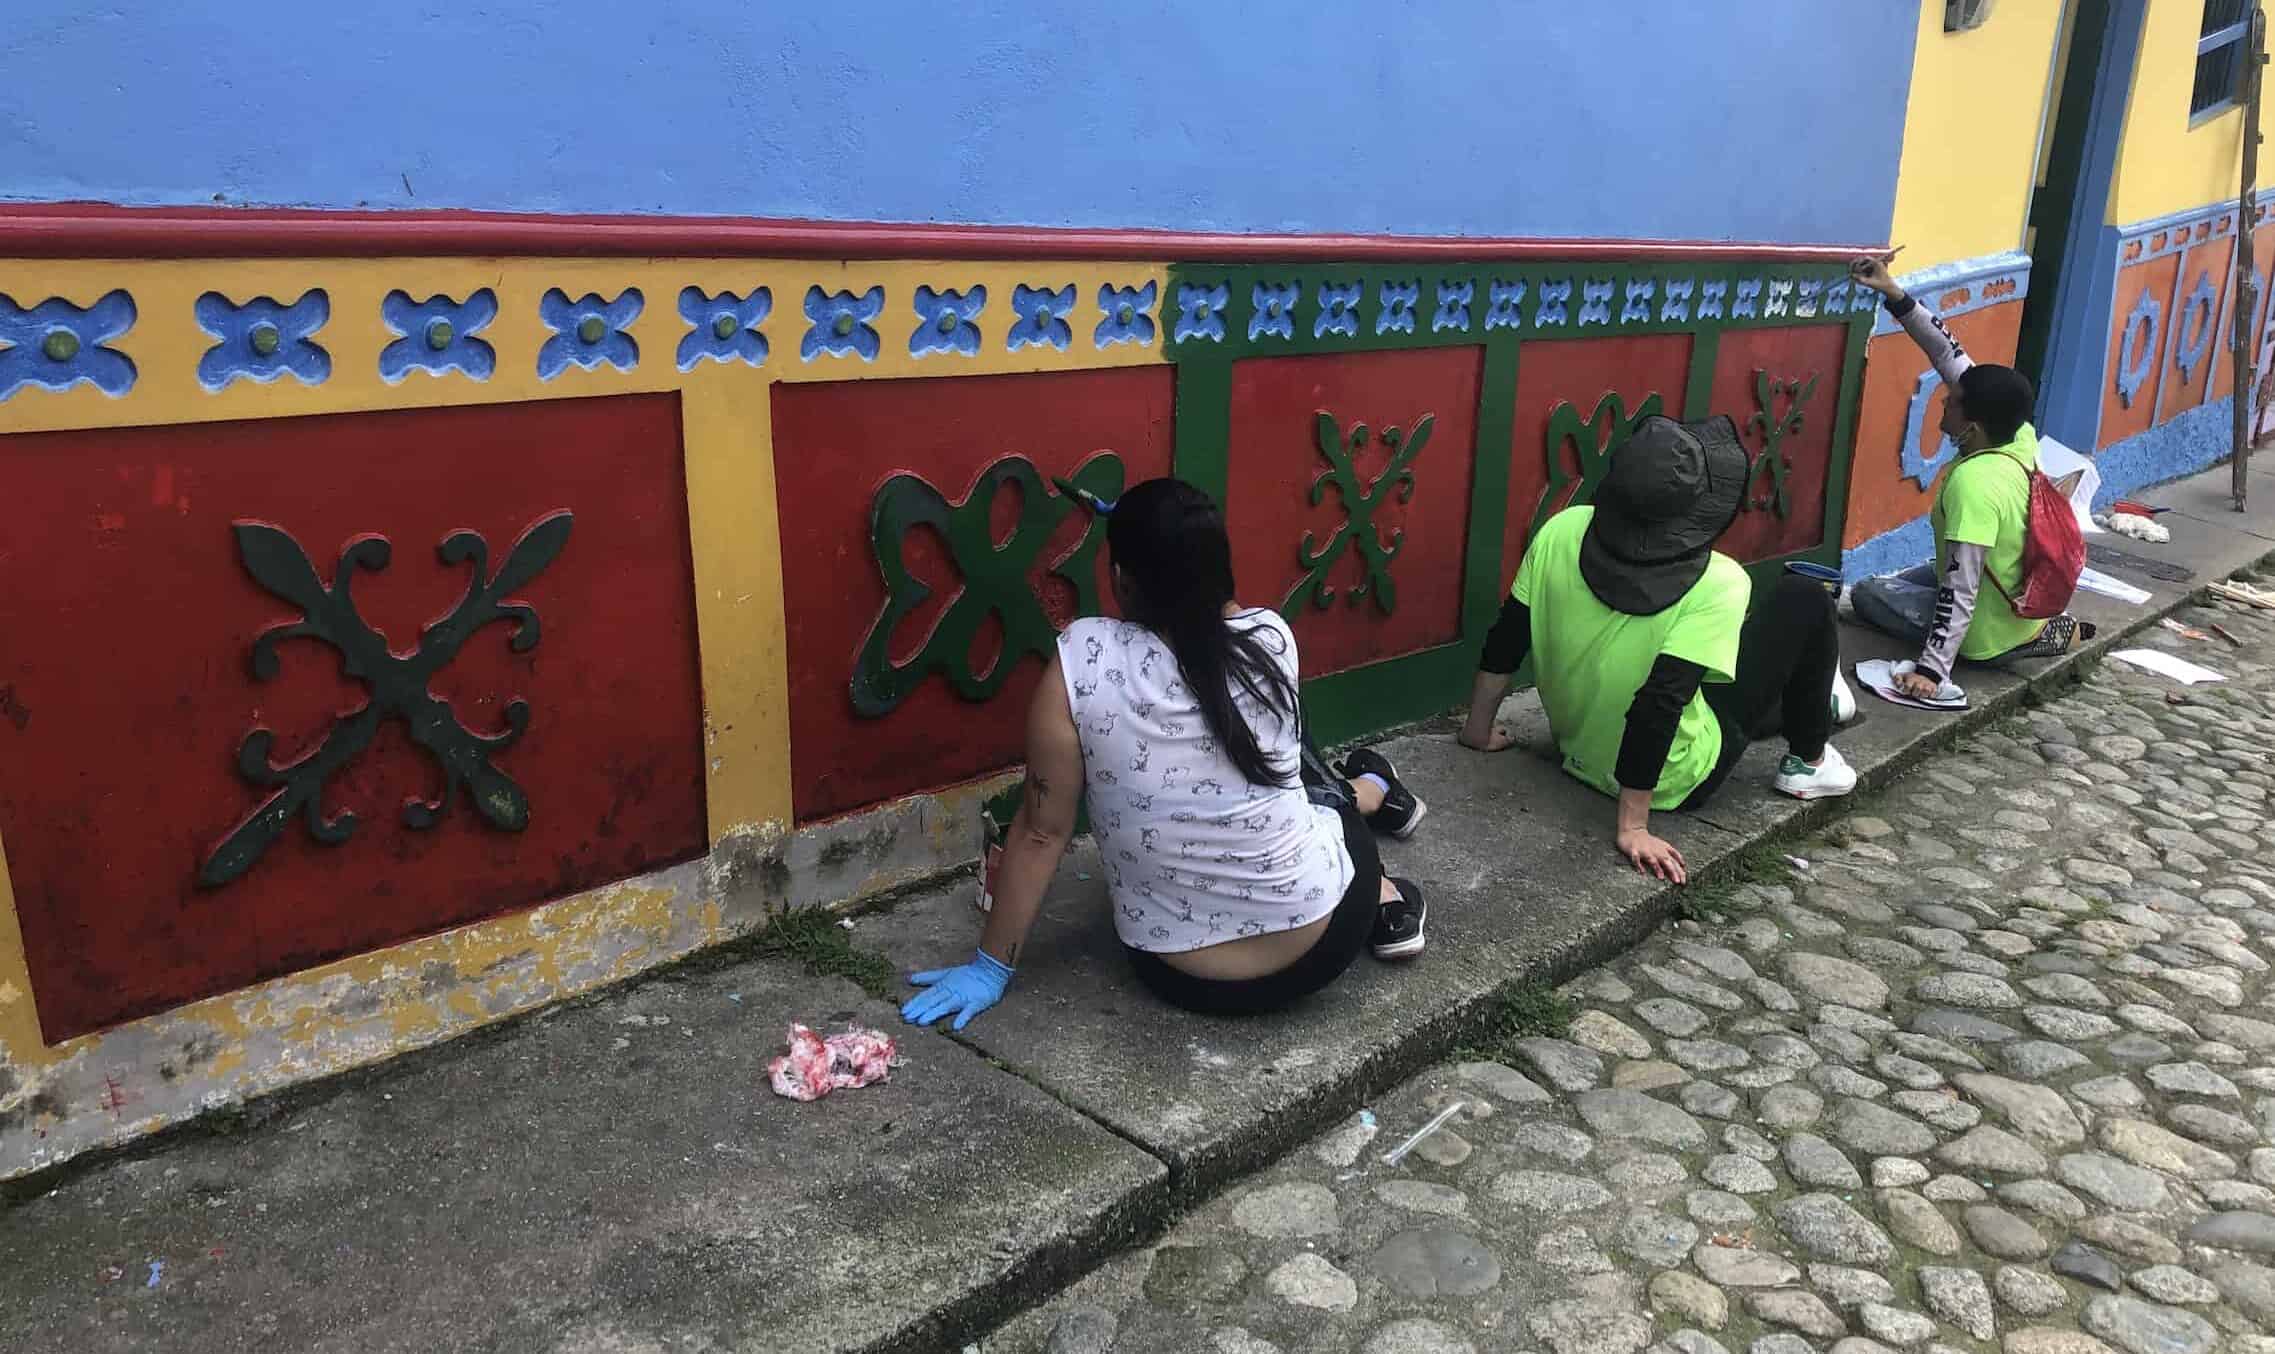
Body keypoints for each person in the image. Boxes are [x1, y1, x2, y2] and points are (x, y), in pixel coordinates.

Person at [901, 478, 1430, 1031]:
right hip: (1321, 947)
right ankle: (1378, 815)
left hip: (1177, 974)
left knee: (1284, 765)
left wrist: (990, 968)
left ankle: (1373, 797)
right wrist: (1177, 546)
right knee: (1306, 779)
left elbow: (1040, 831)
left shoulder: (1080, 661)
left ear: (1122, 580)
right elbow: (1220, 619)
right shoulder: (1271, 638)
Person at [1457, 415, 1856, 884]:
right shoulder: (1722, 581)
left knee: (1744, 672)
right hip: (1676, 780)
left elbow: (1508, 638)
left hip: (1578, 750)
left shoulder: (1561, 529)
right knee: (1805, 599)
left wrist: (1477, 730)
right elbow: (1660, 703)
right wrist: (1634, 827)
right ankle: (1809, 760)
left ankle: (1815, 700)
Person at [1848, 256, 2094, 699]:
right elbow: (1946, 351)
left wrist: (1932, 670)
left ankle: (2003, 646)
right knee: (1926, 572)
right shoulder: (2017, 434)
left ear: (1971, 427)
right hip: (2009, 583)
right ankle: (2032, 630)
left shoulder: (1973, 485)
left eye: (1952, 402)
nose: (1943, 401)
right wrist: (1893, 292)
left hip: (1982, 633)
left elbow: (1960, 591)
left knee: (1869, 594)